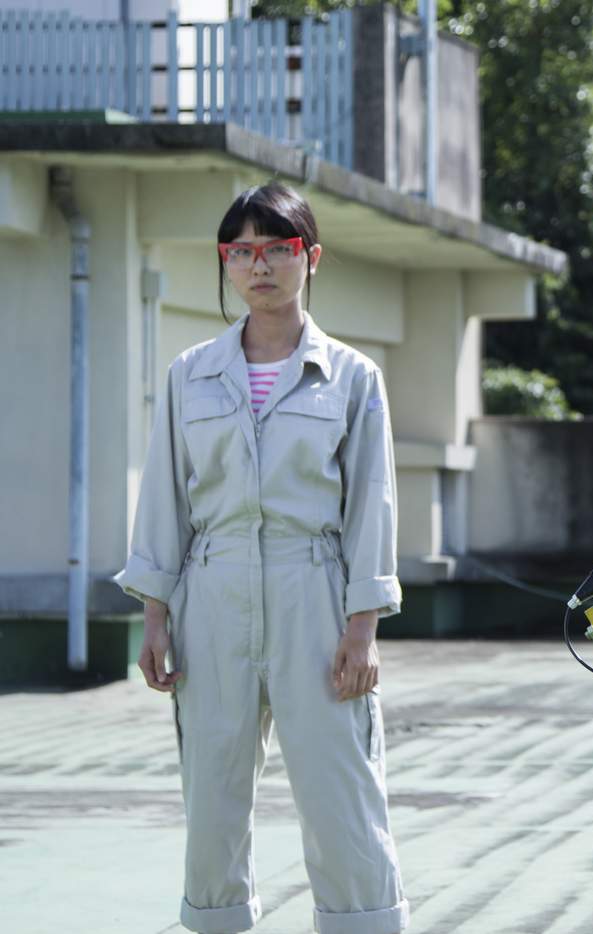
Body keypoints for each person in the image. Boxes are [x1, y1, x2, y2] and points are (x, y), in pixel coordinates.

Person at [116, 182, 410, 934]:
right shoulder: (189, 374)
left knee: (342, 792)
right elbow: (165, 499)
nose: (260, 266)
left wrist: (363, 627)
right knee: (212, 795)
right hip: (212, 595)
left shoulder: (352, 377)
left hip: (315, 593)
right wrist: (155, 616)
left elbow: (371, 502)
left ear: (311, 258)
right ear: (226, 262)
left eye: (278, 249)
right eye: (242, 251)